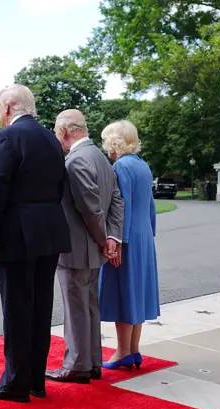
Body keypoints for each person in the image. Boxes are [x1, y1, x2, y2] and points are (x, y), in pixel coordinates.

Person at [0, 84, 70, 403]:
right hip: (50, 231)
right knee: (40, 308)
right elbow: (60, 185)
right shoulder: (51, 139)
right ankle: (35, 381)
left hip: (17, 232)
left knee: (17, 308)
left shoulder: (6, 138)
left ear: (8, 107)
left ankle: (15, 382)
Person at [44, 109, 124, 385]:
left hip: (77, 248)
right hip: (94, 249)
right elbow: (116, 200)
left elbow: (89, 209)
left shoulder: (75, 161)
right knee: (90, 306)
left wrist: (104, 239)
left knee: (76, 307)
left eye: (57, 132)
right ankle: (91, 362)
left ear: (66, 131)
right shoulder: (101, 159)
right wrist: (112, 238)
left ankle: (76, 365)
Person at [98, 120, 160, 371]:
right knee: (136, 292)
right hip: (144, 236)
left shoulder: (121, 165)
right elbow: (151, 207)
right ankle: (133, 350)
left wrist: (118, 242)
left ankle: (123, 352)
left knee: (124, 293)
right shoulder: (143, 165)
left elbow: (119, 207)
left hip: (128, 237)